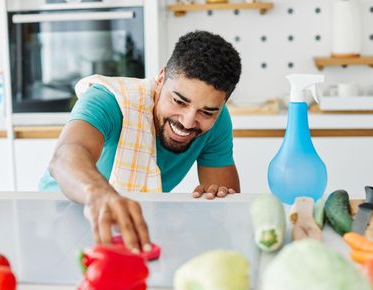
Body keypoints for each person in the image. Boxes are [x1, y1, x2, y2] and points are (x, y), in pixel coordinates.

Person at [39, 30, 242, 253]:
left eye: (207, 112)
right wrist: (100, 194)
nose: (188, 121)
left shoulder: (218, 121)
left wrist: (206, 209)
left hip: (133, 221)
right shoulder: (109, 99)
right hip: (61, 212)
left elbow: (223, 206)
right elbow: (65, 156)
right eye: (179, 101)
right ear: (161, 79)